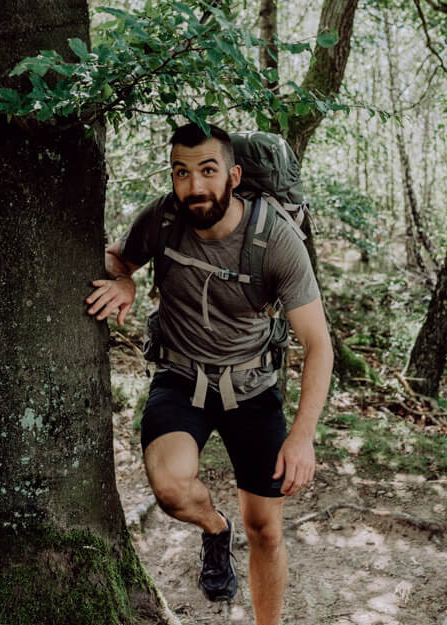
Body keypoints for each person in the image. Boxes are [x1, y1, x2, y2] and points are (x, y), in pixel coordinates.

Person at [84, 123, 333, 625]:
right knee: (172, 488)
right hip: (180, 380)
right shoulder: (164, 217)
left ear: (234, 176)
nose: (194, 186)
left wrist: (302, 437)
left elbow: (319, 345)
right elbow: (118, 258)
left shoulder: (276, 240)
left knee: (264, 528)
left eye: (208, 170)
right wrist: (125, 281)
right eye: (182, 172)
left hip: (252, 389)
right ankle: (214, 528)